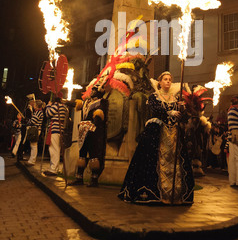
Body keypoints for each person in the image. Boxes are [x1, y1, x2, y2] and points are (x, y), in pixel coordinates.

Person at [118, 71, 194, 205]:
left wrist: (182, 109)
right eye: (165, 79)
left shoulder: (176, 99)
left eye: (170, 79)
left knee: (176, 163)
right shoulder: (154, 96)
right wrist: (168, 112)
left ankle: (174, 194)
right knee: (151, 161)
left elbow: (184, 118)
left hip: (174, 135)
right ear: (160, 82)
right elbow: (153, 109)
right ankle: (153, 193)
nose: (168, 81)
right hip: (157, 132)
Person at [70, 86, 108, 187]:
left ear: (99, 92)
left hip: (94, 132)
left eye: (94, 90)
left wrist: (93, 125)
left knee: (93, 155)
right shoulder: (87, 102)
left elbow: (99, 115)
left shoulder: (101, 102)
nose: (92, 92)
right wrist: (63, 101)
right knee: (82, 154)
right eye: (92, 90)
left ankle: (94, 179)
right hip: (83, 131)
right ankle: (79, 178)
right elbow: (76, 104)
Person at [43, 97, 68, 176]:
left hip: (55, 128)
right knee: (56, 148)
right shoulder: (64, 107)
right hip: (60, 128)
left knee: (54, 149)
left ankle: (53, 169)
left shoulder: (56, 105)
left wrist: (48, 106)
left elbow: (48, 114)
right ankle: (54, 168)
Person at [25, 100, 44, 166]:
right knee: (33, 145)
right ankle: (31, 160)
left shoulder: (38, 112)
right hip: (35, 129)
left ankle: (32, 161)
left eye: (35, 105)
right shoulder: (37, 112)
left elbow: (33, 121)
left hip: (35, 129)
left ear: (37, 106)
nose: (34, 106)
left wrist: (28, 121)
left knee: (34, 145)